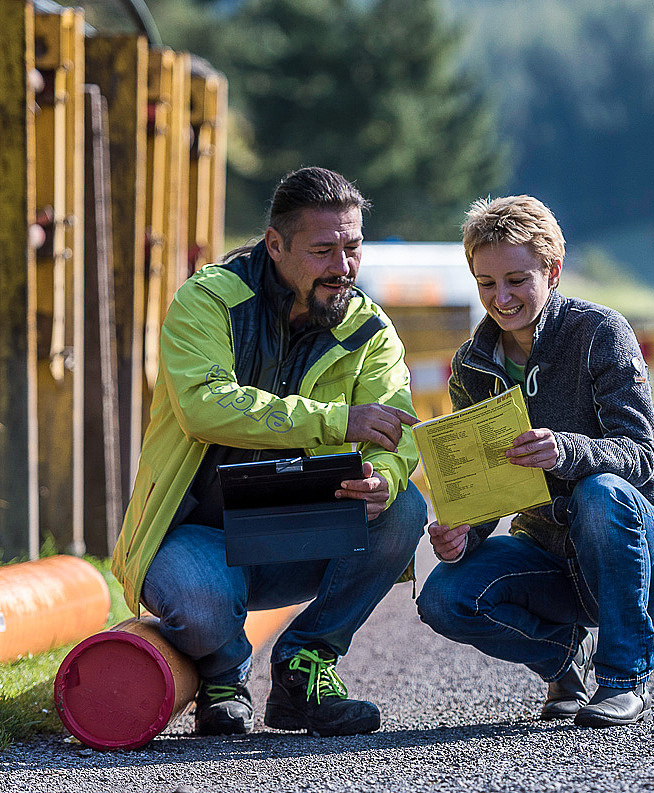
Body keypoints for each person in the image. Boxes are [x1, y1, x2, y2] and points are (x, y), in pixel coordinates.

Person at [112, 167, 427, 737]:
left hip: (291, 529)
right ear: (275, 244)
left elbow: (397, 429)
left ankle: (303, 670)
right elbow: (205, 406)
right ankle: (223, 671)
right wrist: (337, 422)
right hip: (194, 531)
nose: (343, 267)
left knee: (403, 509)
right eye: (323, 250)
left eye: (353, 248)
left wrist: (382, 475)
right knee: (204, 605)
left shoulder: (370, 330)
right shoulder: (207, 300)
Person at [416, 195, 654, 728]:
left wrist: (567, 450)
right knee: (444, 597)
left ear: (553, 269)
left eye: (517, 279)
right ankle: (562, 659)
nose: (501, 298)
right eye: (486, 283)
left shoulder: (599, 332)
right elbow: (488, 490)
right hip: (552, 557)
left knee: (600, 491)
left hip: (651, 559)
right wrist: (465, 535)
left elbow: (642, 454)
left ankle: (623, 677)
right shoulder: (471, 366)